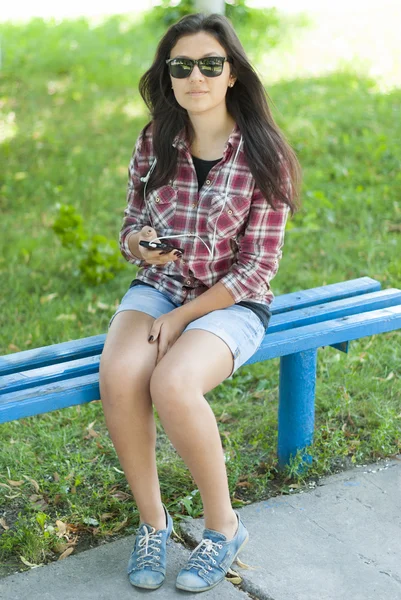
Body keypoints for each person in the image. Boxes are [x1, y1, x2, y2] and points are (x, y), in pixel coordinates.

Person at [99, 11, 301, 593]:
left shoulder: (265, 155)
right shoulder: (156, 138)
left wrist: (182, 317)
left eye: (210, 64)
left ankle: (223, 528)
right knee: (120, 374)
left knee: (172, 384)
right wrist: (141, 244)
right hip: (159, 286)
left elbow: (257, 269)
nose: (196, 77)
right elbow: (131, 224)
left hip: (233, 303)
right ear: (168, 76)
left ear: (232, 72)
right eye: (181, 66)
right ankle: (153, 523)